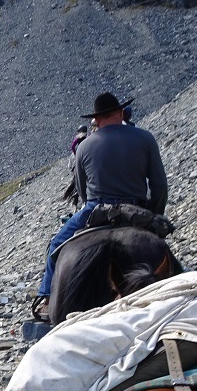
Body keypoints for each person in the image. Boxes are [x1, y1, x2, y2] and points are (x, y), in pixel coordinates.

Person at [32, 92, 168, 321]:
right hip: (135, 206)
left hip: (95, 208)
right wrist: (154, 214)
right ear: (120, 112)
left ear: (97, 118)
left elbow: (83, 193)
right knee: (164, 255)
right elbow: (159, 185)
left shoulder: (84, 147)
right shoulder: (145, 138)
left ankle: (46, 299)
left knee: (56, 246)